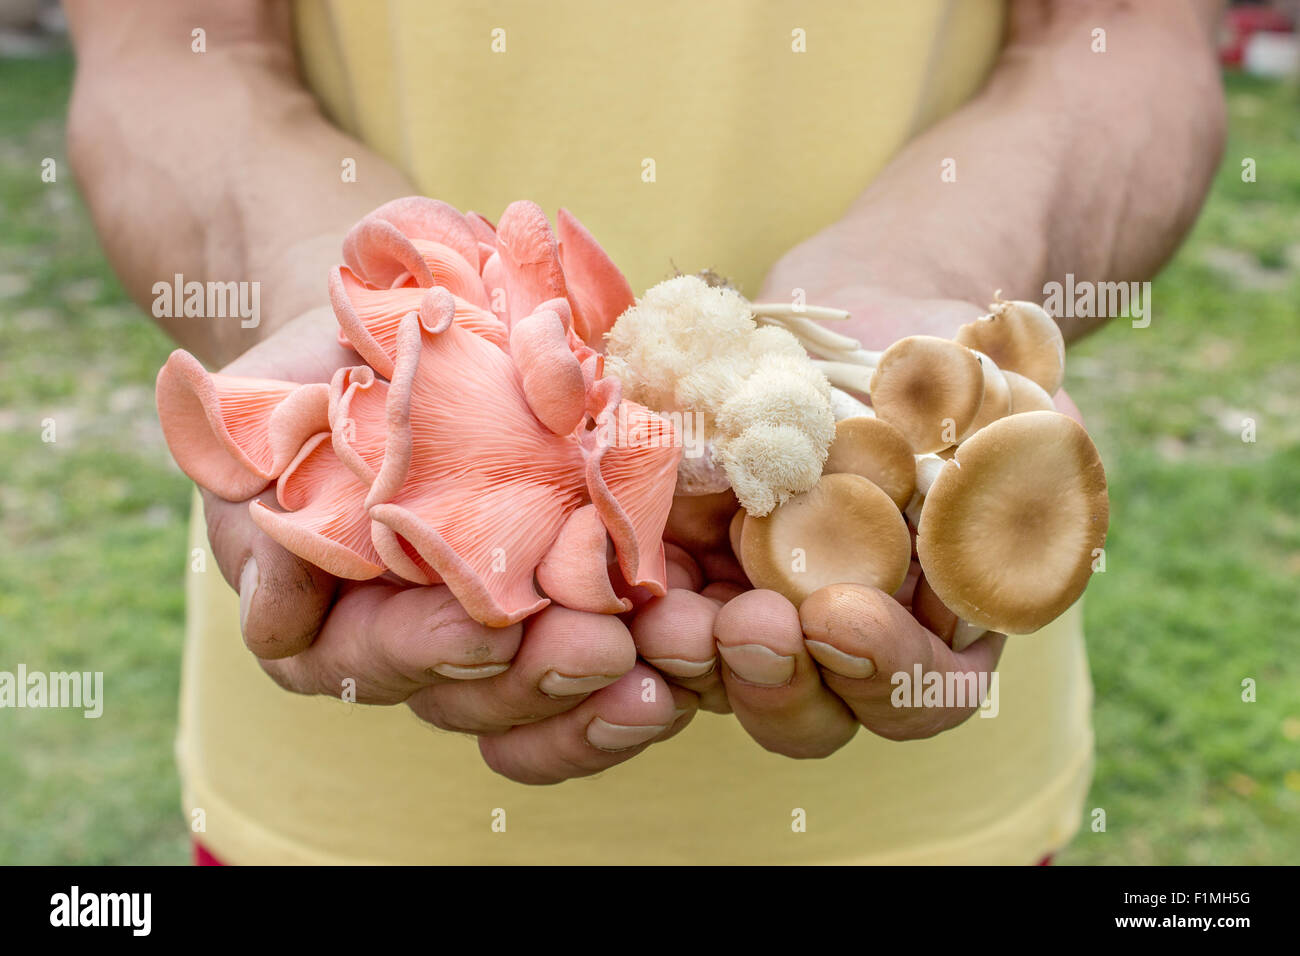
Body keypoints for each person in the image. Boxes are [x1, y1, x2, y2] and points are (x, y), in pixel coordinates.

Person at [64, 0, 1226, 864]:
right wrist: (346, 313)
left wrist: (927, 287)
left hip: (930, 817)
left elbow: (1126, 35)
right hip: (336, 818)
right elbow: (171, 49)